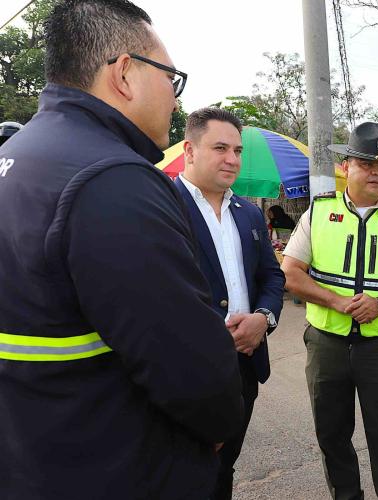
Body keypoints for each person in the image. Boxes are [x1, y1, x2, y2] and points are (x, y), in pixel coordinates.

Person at [0, 1, 244, 498]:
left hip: (35, 454)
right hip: (112, 465)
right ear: (125, 73)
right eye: (171, 79)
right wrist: (220, 422)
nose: (175, 98)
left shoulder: (17, 154)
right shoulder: (113, 178)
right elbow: (189, 365)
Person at [281, 121, 378, 500]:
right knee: (331, 434)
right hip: (327, 345)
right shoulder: (319, 213)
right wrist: (336, 302)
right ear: (346, 166)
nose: (376, 173)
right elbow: (290, 273)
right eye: (366, 164)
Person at [176, 107, 286, 500]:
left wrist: (263, 318)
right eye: (220, 148)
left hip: (244, 364)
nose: (232, 159)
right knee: (186, 468)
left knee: (225, 466)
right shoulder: (164, 206)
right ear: (190, 150)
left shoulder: (249, 214)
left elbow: (272, 277)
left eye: (237, 150)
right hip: (188, 367)